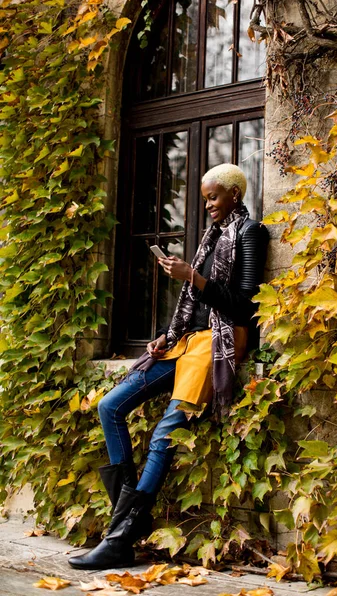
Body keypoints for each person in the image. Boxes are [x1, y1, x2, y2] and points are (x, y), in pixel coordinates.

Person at [68, 163, 268, 570]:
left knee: (164, 433)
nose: (208, 205)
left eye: (213, 196)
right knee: (110, 406)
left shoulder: (250, 233)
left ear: (234, 193)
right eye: (205, 198)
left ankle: (119, 538)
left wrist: (192, 277)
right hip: (185, 342)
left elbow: (246, 304)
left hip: (217, 344)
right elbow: (191, 310)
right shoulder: (212, 238)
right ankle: (126, 524)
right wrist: (164, 334)